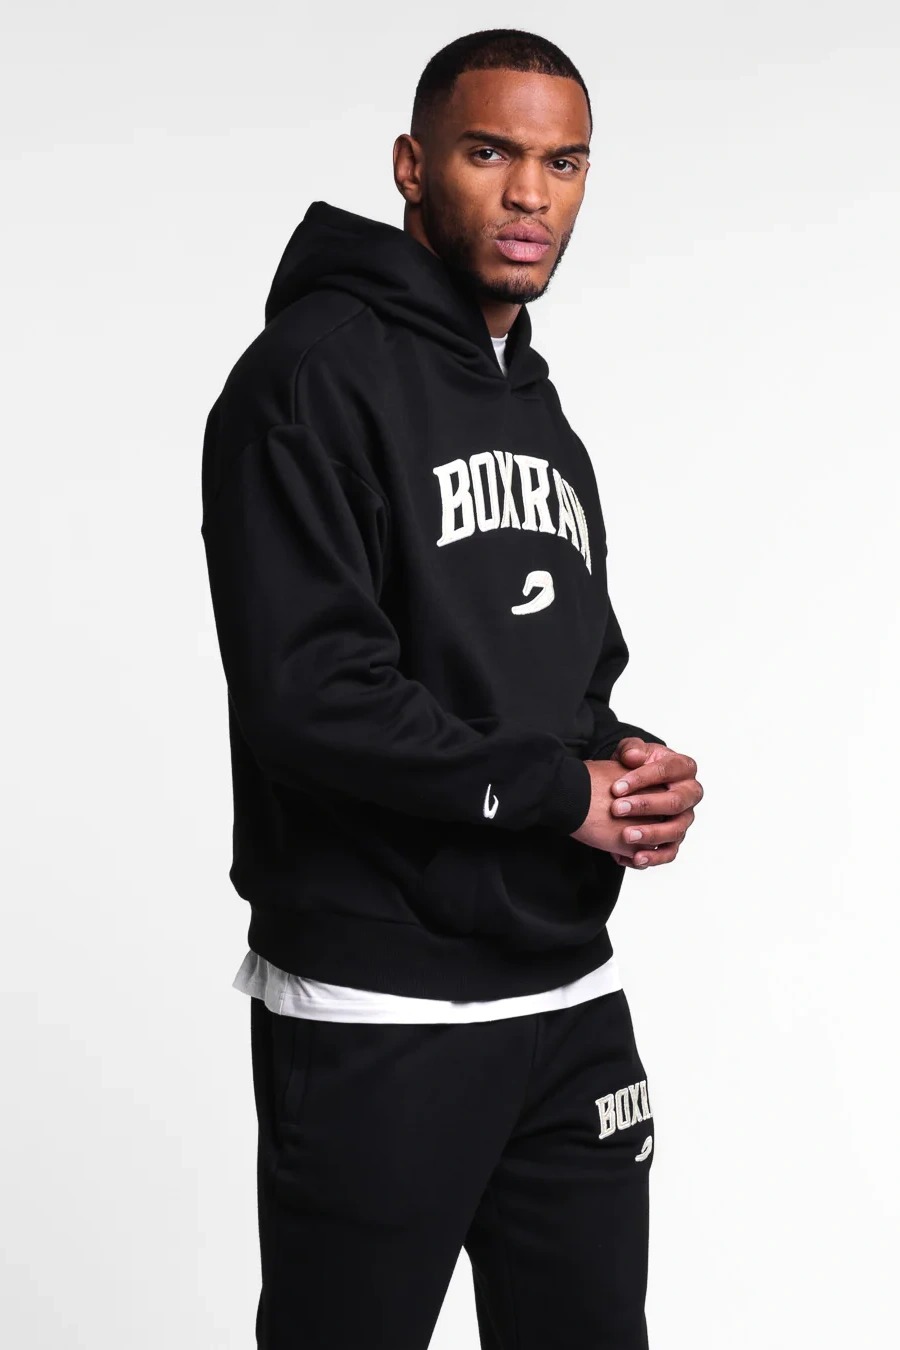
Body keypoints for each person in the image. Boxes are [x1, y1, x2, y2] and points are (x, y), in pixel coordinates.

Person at [200, 27, 703, 1350]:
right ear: (413, 167)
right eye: (491, 152)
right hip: (381, 1007)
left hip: (565, 993)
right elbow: (313, 697)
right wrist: (555, 790)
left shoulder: (536, 405)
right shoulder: (309, 378)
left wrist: (628, 767)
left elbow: (557, 686)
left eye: (563, 162)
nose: (531, 194)